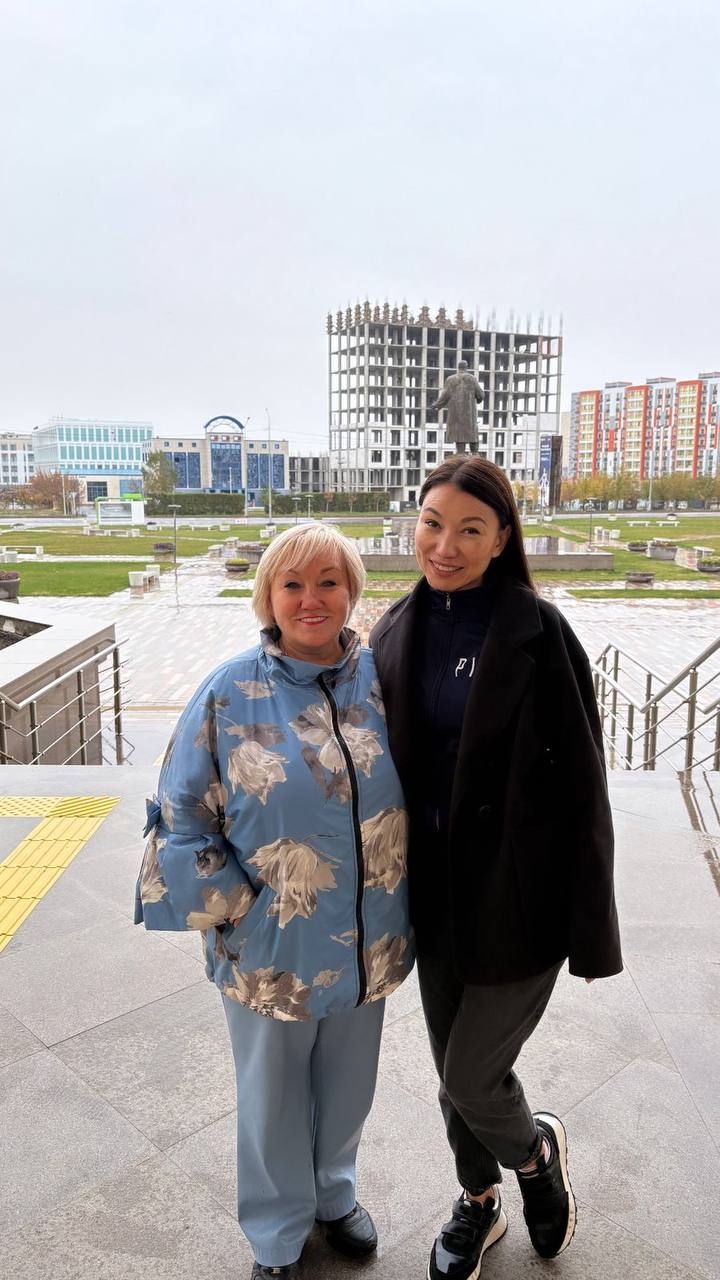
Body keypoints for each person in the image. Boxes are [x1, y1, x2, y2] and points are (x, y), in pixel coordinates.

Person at [135, 523, 413, 1280]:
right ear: (267, 596)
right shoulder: (228, 692)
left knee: (348, 1088)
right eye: (292, 584)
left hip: (370, 940)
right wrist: (240, 912)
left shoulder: (383, 682)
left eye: (328, 581)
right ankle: (276, 1236)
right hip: (270, 945)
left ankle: (334, 1196)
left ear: (352, 592)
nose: (310, 598)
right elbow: (181, 813)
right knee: (271, 1096)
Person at [369, 456, 621, 1279]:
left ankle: (535, 1157)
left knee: (474, 1076)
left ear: (503, 538)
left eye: (470, 529)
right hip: (434, 899)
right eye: (433, 523)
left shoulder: (538, 634)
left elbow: (584, 785)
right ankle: (478, 1200)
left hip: (519, 897)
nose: (445, 545)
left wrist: (592, 922)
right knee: (452, 1075)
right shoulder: (394, 630)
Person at [428, 360, 485, 454]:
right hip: (469, 416)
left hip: (456, 417)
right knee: (473, 438)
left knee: (460, 441)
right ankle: (475, 457)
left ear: (458, 367)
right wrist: (479, 399)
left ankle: (461, 456)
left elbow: (445, 395)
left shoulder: (450, 379)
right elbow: (480, 395)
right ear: (466, 367)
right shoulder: (472, 379)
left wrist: (436, 405)